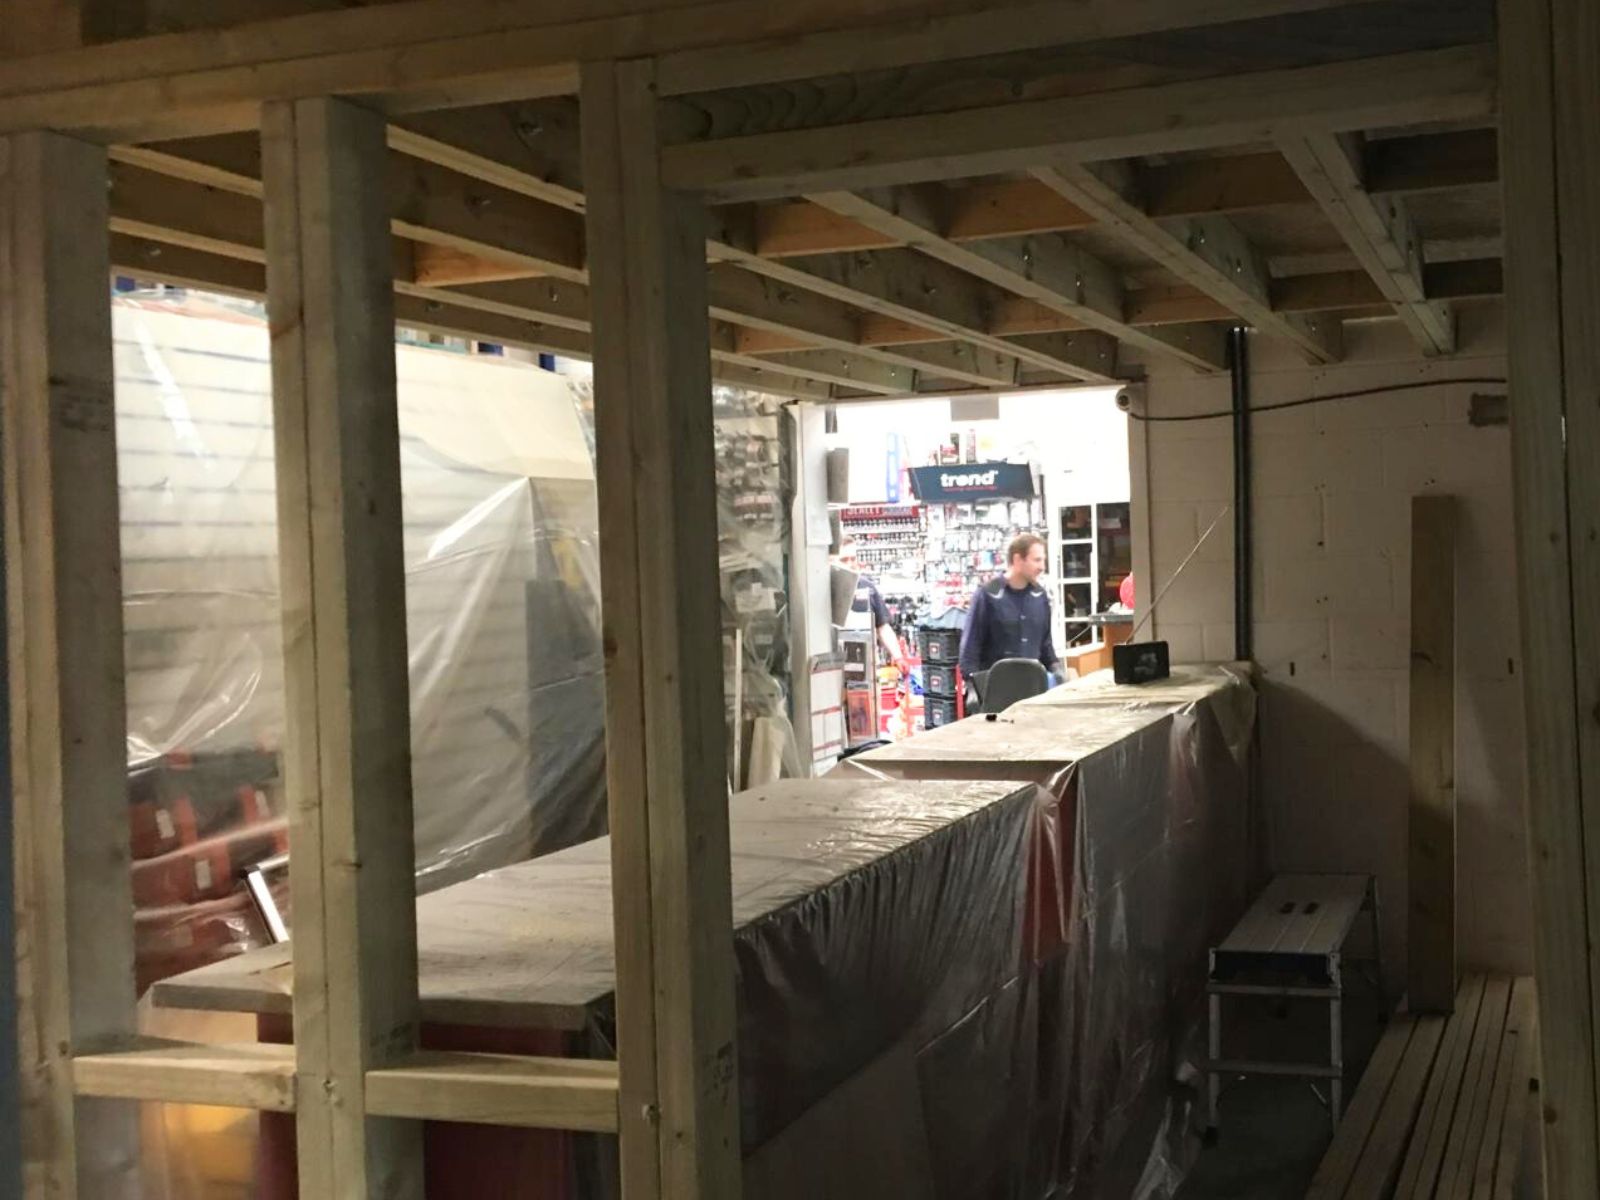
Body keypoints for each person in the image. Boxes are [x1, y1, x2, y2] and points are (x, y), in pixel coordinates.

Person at [958, 532, 1064, 684]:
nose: (1042, 567)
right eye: (1037, 560)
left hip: (1033, 689)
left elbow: (1045, 645)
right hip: (997, 693)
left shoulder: (1040, 597)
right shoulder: (988, 595)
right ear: (1017, 559)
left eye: (1043, 560)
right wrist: (973, 686)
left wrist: (1057, 669)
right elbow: (970, 650)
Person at [836, 536, 910, 675]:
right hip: (836, 667)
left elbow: (882, 626)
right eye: (844, 560)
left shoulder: (867, 588)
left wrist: (898, 657)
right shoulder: (828, 591)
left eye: (853, 558)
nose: (850, 564)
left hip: (866, 666)